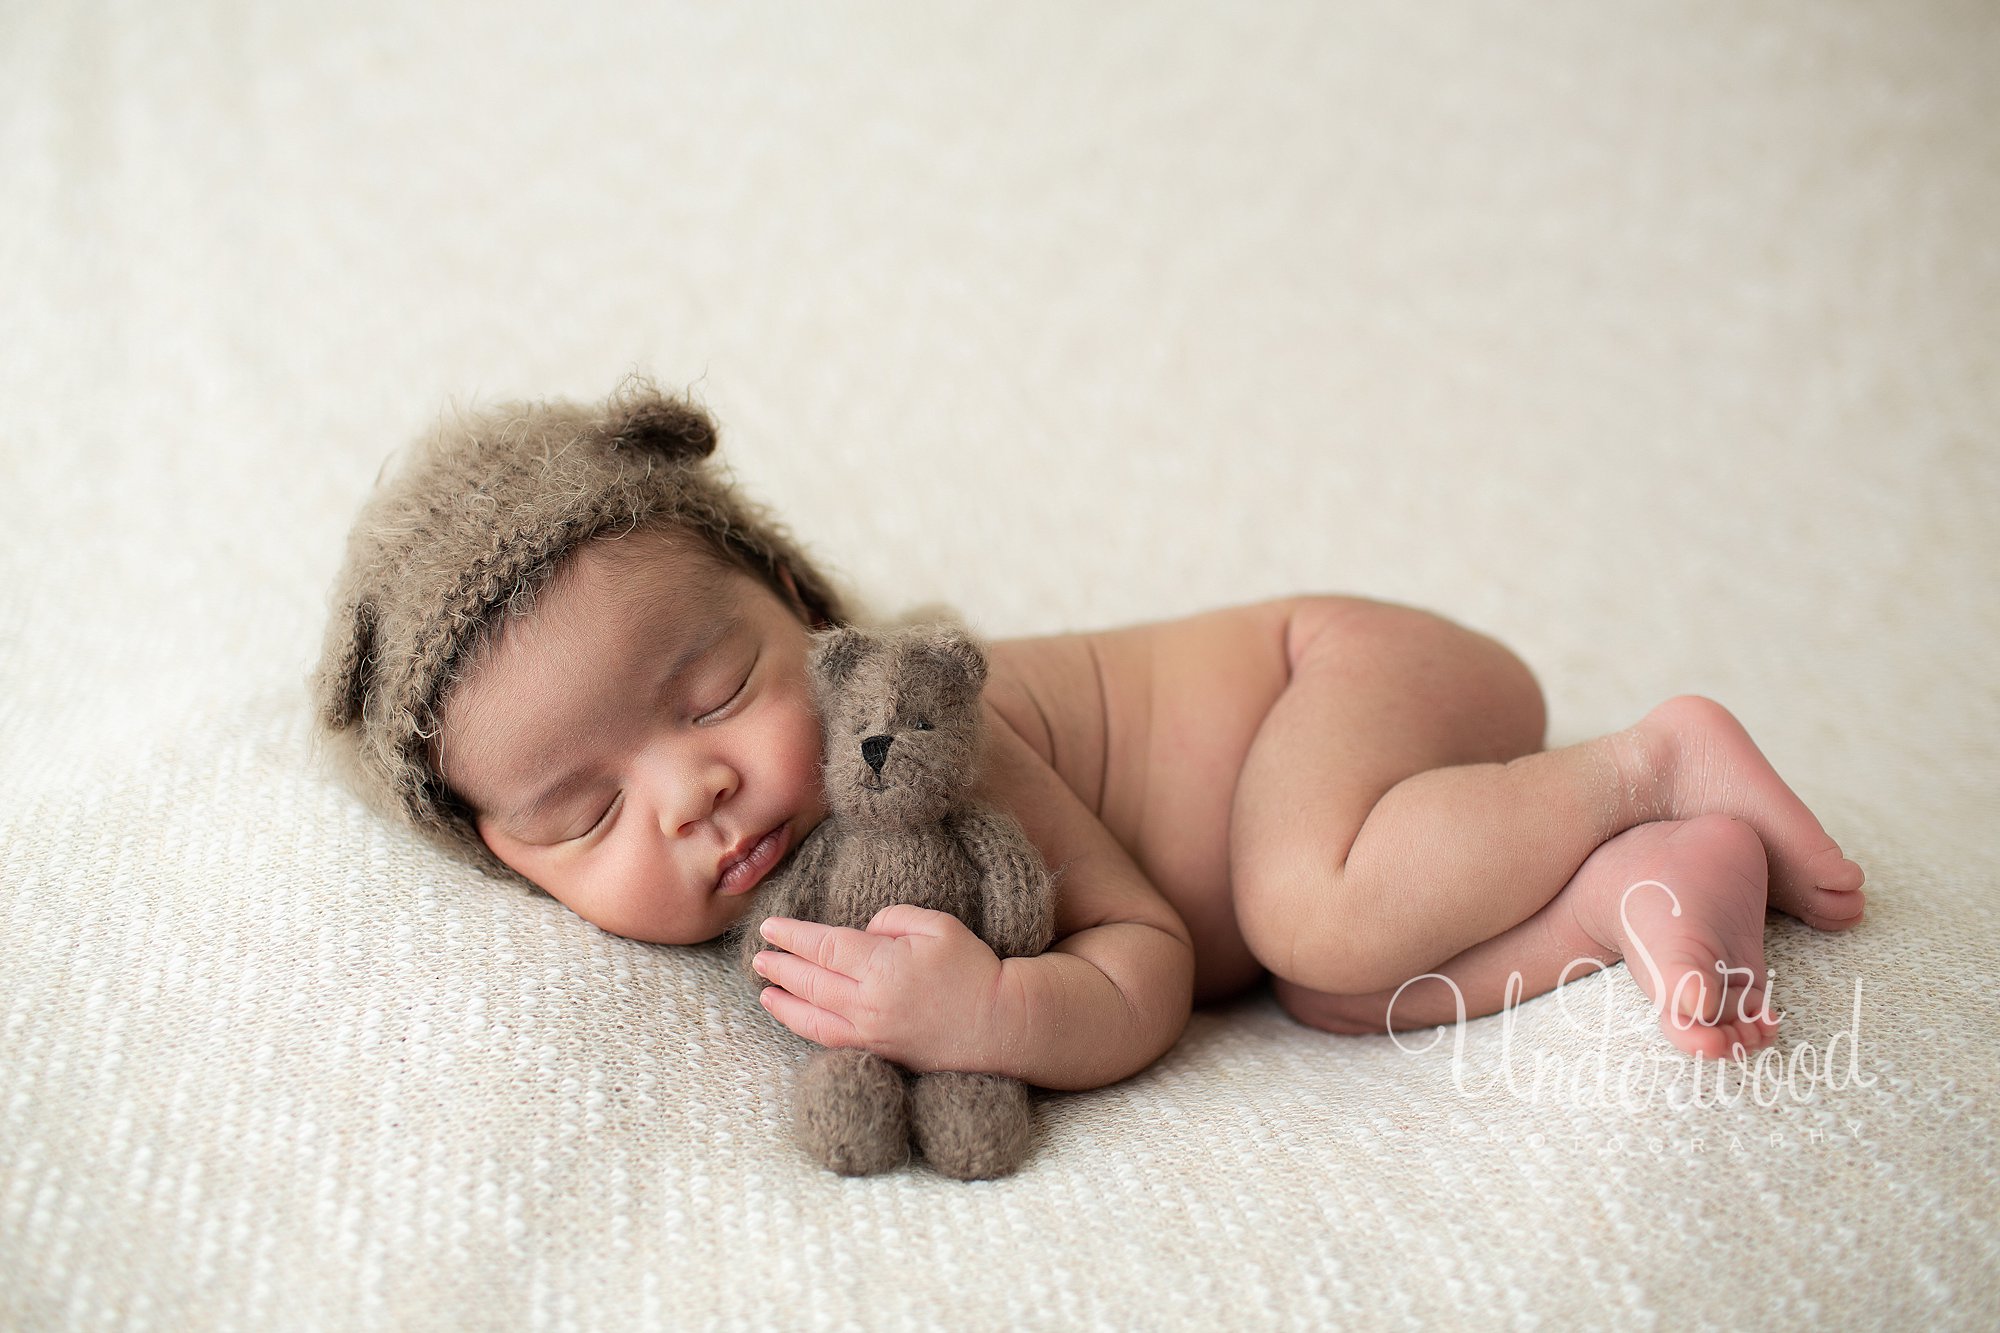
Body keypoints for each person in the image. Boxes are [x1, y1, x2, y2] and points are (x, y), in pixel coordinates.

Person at [310, 378, 1866, 1093]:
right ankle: (1639, 881)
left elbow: (1150, 969)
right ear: (500, 859)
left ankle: (1650, 757)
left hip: (1342, 672)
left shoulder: (918, 743)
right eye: (582, 817)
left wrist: (993, 1014)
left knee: (1306, 908)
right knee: (1336, 989)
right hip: (1333, 806)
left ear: (804, 608)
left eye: (714, 693)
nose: (692, 792)